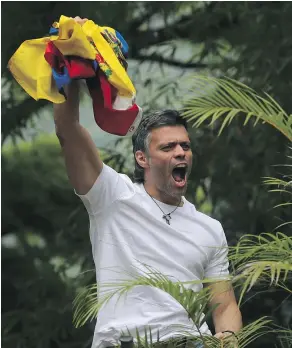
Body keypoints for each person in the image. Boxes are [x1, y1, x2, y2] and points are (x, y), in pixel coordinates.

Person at [54, 16, 242, 348]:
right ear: (143, 158)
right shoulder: (111, 197)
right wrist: (70, 63)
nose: (181, 152)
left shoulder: (209, 228)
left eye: (185, 145)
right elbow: (68, 132)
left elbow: (224, 305)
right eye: (168, 147)